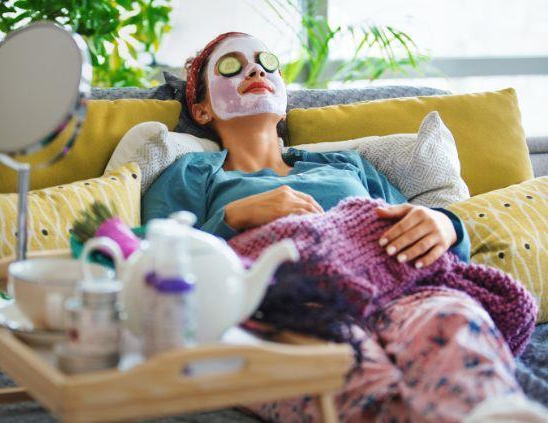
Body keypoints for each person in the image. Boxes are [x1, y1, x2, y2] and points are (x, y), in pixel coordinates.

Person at [142, 32, 544, 422]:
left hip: (395, 294)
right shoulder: (194, 173)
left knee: (452, 320)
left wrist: (445, 224)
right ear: (202, 110)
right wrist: (233, 217)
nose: (255, 71)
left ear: (283, 104)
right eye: (232, 66)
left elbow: (415, 243)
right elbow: (159, 265)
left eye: (268, 64)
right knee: (355, 373)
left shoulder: (346, 166)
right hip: (286, 309)